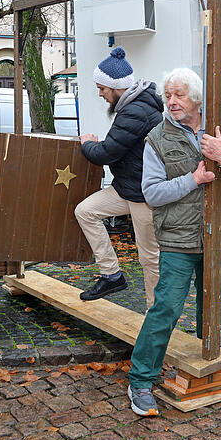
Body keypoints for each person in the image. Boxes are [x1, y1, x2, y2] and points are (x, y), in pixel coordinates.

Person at [127, 67, 221, 417]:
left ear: (197, 99)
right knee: (167, 306)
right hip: (178, 239)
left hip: (219, 235)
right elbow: (152, 193)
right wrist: (193, 178)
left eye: (179, 95)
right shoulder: (157, 139)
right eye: (168, 95)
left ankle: (213, 355)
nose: (171, 101)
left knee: (213, 300)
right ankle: (140, 379)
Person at [75, 47, 163, 307]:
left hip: (144, 195)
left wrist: (86, 144)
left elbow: (108, 152)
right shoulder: (131, 107)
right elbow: (120, 147)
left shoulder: (136, 111)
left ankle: (154, 314)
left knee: (149, 258)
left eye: (102, 88)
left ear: (116, 87)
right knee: (86, 211)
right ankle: (112, 275)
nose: (100, 94)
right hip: (127, 188)